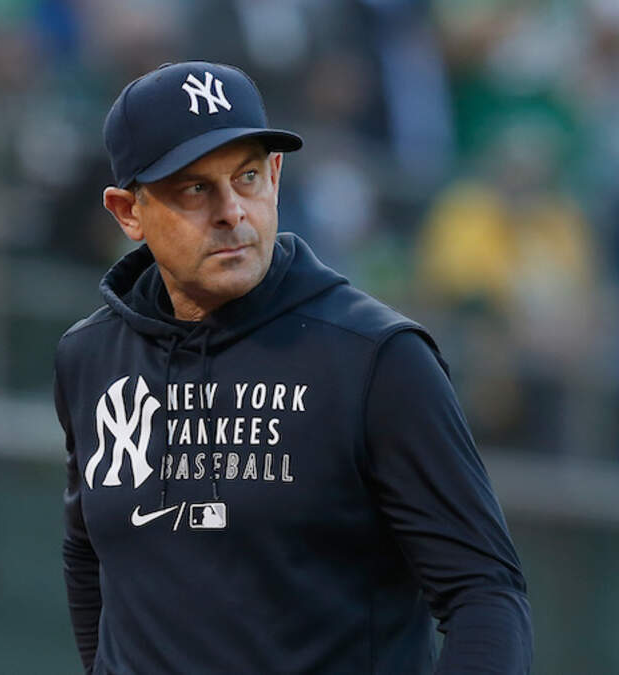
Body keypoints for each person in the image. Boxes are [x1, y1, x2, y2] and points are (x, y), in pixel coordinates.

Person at [52, 60, 532, 674]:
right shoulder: (89, 356)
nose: (232, 211)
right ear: (128, 212)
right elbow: (90, 555)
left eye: (247, 177)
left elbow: (485, 594)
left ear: (275, 176)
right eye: (195, 188)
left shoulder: (376, 358)